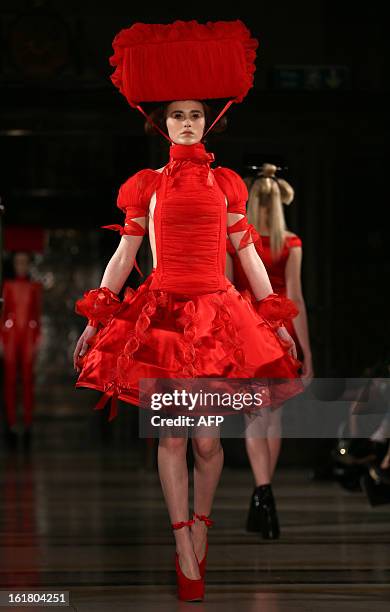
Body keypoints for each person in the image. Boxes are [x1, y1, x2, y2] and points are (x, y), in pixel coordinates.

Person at [72, 20, 303, 602]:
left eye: (196, 115)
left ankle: (202, 526)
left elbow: (248, 253)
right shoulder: (145, 186)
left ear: (210, 120)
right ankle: (183, 545)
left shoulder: (227, 184)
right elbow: (125, 254)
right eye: (177, 115)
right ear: (162, 124)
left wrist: (278, 323)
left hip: (218, 317)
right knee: (173, 439)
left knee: (206, 442)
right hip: (165, 319)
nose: (187, 123)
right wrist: (96, 318)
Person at [226, 163, 313, 539]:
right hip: (283, 330)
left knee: (253, 417)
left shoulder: (237, 241)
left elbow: (228, 291)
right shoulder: (290, 243)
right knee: (272, 417)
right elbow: (296, 298)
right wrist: (306, 350)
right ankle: (265, 492)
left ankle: (262, 493)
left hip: (251, 328)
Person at [0, 251, 42, 449]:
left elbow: (36, 313)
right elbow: (4, 313)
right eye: (19, 262)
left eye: (25, 262)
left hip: (27, 334)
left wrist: (36, 339)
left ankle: (27, 424)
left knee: (26, 381)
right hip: (10, 335)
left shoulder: (34, 287)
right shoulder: (8, 286)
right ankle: (11, 423)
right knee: (9, 380)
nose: (22, 266)